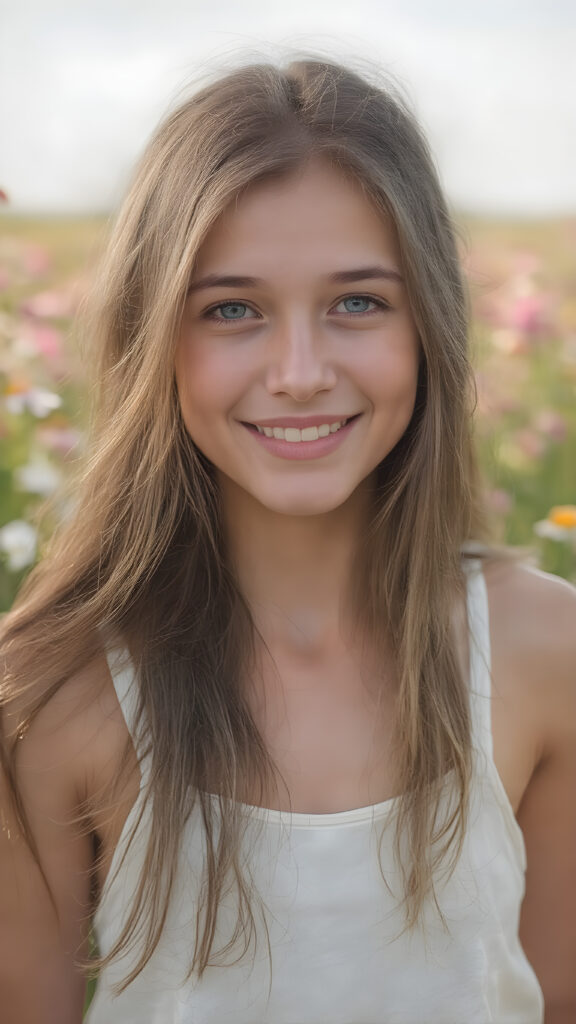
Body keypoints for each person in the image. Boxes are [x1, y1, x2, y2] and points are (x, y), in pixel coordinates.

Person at [0, 58, 574, 1024]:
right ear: (153, 339)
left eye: (358, 302)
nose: (301, 373)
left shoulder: (549, 652)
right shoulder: (49, 687)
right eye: (232, 310)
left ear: (430, 323)